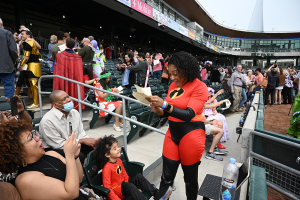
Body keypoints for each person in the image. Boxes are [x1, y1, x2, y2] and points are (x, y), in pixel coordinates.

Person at [146, 51, 208, 200]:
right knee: (165, 179)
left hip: (191, 135)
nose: (172, 78)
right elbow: (168, 112)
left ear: (186, 70)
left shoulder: (199, 86)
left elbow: (188, 114)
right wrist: (158, 110)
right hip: (172, 134)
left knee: (190, 181)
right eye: (170, 73)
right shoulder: (173, 86)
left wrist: (165, 105)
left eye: (175, 73)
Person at [0, 120, 85, 200]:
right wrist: (69, 156)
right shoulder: (25, 179)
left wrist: (75, 157)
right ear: (18, 152)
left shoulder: (51, 153)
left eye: (33, 134)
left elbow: (79, 179)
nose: (37, 138)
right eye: (30, 139)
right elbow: (71, 194)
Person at [94, 135, 172, 200]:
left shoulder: (118, 160)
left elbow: (124, 174)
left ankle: (156, 194)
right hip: (116, 190)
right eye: (114, 149)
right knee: (130, 186)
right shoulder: (107, 168)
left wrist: (133, 190)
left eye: (117, 146)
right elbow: (107, 188)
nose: (118, 149)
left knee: (138, 176)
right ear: (107, 155)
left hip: (123, 186)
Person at [39, 90, 98, 165]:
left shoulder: (74, 113)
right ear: (55, 105)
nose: (69, 100)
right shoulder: (48, 121)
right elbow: (58, 144)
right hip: (55, 149)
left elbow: (80, 133)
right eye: (64, 99)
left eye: (68, 97)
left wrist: (91, 141)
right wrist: (82, 141)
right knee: (79, 156)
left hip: (73, 143)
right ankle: (78, 175)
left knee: (98, 147)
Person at [53, 38, 85, 110]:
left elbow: (57, 71)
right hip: (73, 81)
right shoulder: (78, 57)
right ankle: (75, 106)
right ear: (74, 46)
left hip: (64, 81)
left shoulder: (59, 56)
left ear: (66, 44)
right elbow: (79, 75)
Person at [18, 29, 42, 109]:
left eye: (22, 34)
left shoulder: (28, 42)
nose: (21, 35)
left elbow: (26, 56)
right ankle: (38, 102)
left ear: (28, 35)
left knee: (34, 85)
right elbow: (39, 51)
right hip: (37, 66)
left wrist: (21, 65)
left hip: (32, 66)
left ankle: (36, 103)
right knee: (36, 85)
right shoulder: (33, 42)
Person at [0, 18, 18, 98]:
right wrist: (14, 61)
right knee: (9, 88)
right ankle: (9, 108)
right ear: (1, 24)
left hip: (5, 65)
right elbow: (13, 50)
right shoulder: (7, 33)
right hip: (6, 65)